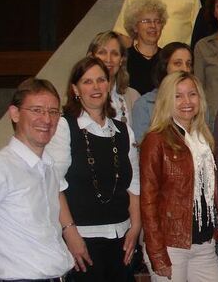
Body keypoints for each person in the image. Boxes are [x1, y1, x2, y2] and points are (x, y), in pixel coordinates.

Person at [46, 56, 140, 282]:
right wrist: (70, 234)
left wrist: (136, 226)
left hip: (122, 239)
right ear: (75, 89)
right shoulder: (64, 127)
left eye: (101, 80)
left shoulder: (123, 130)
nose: (96, 87)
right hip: (83, 242)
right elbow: (54, 185)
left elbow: (134, 183)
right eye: (87, 82)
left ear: (109, 85)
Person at [140, 71, 218, 281]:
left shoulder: (204, 139)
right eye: (178, 96)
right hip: (171, 246)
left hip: (204, 244)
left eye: (192, 94)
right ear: (167, 100)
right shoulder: (156, 140)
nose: (187, 101)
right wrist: (157, 254)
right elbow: (148, 202)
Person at [0, 78, 74, 281]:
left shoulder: (48, 167)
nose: (47, 119)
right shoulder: (2, 167)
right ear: (15, 114)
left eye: (53, 112)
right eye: (37, 110)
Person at [132, 42, 193, 143]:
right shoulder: (145, 105)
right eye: (178, 63)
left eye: (188, 64)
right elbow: (142, 148)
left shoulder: (196, 102)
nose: (185, 69)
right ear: (164, 67)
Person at [87, 31, 141, 127]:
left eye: (115, 54)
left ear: (121, 60)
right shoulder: (81, 95)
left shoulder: (133, 97)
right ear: (91, 57)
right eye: (102, 53)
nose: (108, 59)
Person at [123, 0, 167, 95]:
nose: (153, 26)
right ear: (135, 27)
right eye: (146, 21)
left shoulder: (167, 58)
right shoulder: (123, 58)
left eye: (157, 21)